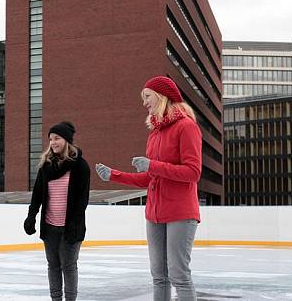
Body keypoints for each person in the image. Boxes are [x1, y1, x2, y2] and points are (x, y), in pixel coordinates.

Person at [95, 76, 202, 301]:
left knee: (179, 275)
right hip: (154, 213)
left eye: (147, 96)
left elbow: (193, 172)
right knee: (159, 276)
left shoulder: (186, 127)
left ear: (163, 97)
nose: (144, 103)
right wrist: (114, 175)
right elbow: (149, 179)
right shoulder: (154, 133)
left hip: (180, 213)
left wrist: (153, 165)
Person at [24, 121, 90, 301]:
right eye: (51, 139)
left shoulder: (80, 166)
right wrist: (31, 215)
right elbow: (37, 193)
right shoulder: (46, 166)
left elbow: (82, 201)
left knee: (68, 266)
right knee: (53, 265)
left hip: (71, 227)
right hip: (50, 226)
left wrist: (73, 225)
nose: (53, 142)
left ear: (67, 141)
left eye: (57, 138)